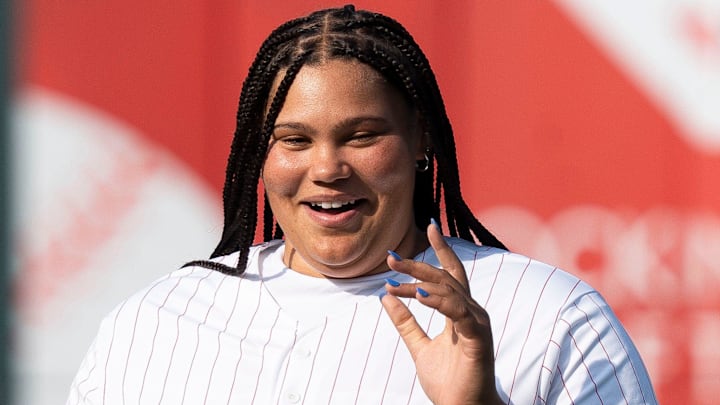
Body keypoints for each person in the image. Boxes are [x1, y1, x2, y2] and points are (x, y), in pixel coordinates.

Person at [67, 5, 657, 404]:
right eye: (294, 140)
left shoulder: (550, 318)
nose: (326, 169)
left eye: (362, 136)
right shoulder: (154, 323)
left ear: (421, 138)